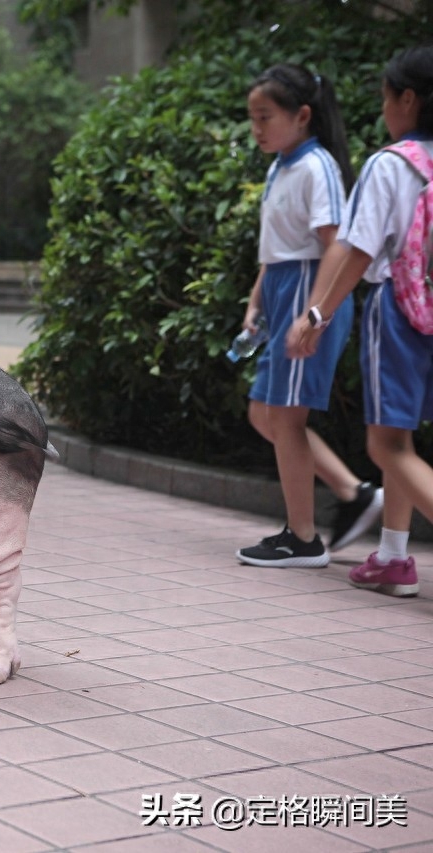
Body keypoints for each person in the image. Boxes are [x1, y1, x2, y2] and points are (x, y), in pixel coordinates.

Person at [287, 45, 433, 596]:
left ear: (408, 99)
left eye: (386, 97)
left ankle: (395, 556)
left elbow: (357, 252)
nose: (384, 107)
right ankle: (394, 557)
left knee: (387, 446)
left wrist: (318, 314)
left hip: (398, 313)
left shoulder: (390, 164)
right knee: (406, 438)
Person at [235, 64, 384, 569]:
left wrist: (314, 314)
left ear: (302, 116)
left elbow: (335, 247)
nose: (256, 128)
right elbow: (273, 251)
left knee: (286, 416)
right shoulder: (282, 164)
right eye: (251, 117)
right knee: (266, 413)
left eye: (264, 116)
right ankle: (354, 493)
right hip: (283, 289)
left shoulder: (315, 166)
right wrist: (256, 305)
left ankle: (302, 539)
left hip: (305, 292)